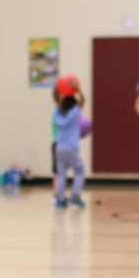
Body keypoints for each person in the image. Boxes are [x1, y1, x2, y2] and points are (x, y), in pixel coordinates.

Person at [52, 80, 86, 208]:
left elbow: (56, 98)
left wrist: (58, 87)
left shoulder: (58, 111)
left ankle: (60, 199)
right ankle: (75, 196)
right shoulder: (75, 111)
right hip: (71, 147)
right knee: (79, 171)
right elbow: (83, 100)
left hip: (59, 147)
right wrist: (77, 88)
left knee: (61, 174)